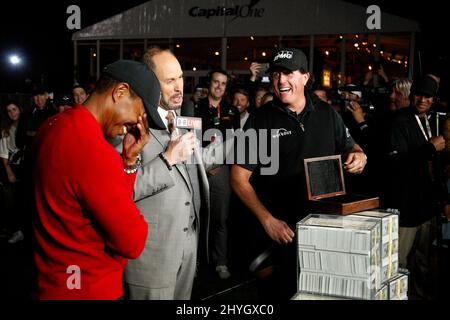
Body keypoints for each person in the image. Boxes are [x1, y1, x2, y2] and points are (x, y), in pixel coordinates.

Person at [230, 48, 367, 300]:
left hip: (322, 230)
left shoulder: (327, 114)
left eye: (288, 73)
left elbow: (353, 147)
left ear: (305, 77)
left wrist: (360, 156)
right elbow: (238, 178)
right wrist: (268, 220)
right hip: (279, 233)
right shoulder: (261, 120)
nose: (281, 81)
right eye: (276, 74)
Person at [32, 60, 160, 300]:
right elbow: (132, 241)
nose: (137, 123)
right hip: (86, 288)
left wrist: (128, 162)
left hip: (52, 280)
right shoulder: (94, 150)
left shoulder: (51, 126)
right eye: (140, 112)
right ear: (120, 92)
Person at [122, 47, 210, 300]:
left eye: (180, 77)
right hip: (152, 257)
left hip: (186, 248)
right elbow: (120, 189)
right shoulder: (128, 123)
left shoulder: (179, 118)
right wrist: (167, 159)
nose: (179, 86)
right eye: (170, 80)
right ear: (150, 82)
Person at [385, 75, 445, 299]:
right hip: (407, 208)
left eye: (427, 96)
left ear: (433, 100)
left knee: (423, 262)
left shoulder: (432, 121)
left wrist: (444, 199)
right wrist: (430, 148)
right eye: (418, 94)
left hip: (428, 207)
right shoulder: (399, 122)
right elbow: (396, 164)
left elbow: (435, 169)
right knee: (399, 263)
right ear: (411, 96)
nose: (422, 100)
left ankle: (420, 297)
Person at [195, 69, 239, 280]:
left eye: (223, 83)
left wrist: (221, 164)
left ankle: (220, 261)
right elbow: (188, 138)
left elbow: (235, 143)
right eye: (216, 82)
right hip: (197, 170)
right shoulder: (196, 108)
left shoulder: (232, 110)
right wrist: (202, 165)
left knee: (221, 219)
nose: (219, 86)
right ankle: (194, 261)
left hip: (221, 171)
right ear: (209, 83)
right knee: (196, 217)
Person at [0, 101, 25, 244]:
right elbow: (3, 153)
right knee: (13, 200)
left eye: (14, 109)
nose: (12, 113)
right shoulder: (6, 129)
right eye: (9, 111)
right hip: (13, 166)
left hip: (26, 165)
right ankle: (16, 230)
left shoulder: (26, 124)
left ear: (19, 109)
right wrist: (8, 171)